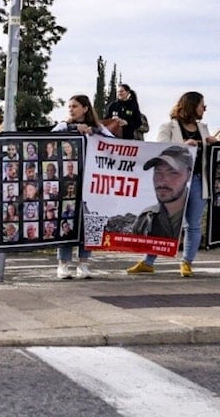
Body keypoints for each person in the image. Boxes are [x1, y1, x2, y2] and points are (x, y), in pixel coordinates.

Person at [128, 91, 217, 277]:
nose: (204, 109)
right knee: (162, 220)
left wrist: (213, 144)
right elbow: (160, 149)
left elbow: (210, 156)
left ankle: (187, 262)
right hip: (173, 180)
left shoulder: (204, 128)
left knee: (192, 223)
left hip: (198, 180)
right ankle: (148, 261)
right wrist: (185, 145)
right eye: (202, 105)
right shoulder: (168, 127)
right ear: (192, 106)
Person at [52, 94, 113, 279]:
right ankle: (63, 264)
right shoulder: (63, 125)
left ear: (85, 108)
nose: (71, 109)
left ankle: (84, 263)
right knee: (67, 219)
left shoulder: (98, 128)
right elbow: (51, 136)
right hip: (69, 182)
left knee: (89, 220)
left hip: (91, 182)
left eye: (75, 106)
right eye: (69, 106)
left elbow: (113, 143)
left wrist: (93, 133)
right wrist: (72, 127)